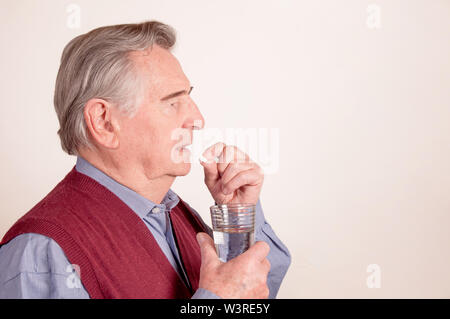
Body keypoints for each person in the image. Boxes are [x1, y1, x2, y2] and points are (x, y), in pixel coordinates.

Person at [0, 21, 290, 299]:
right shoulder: (44, 254)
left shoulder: (174, 215)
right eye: (172, 102)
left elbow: (253, 295)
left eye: (188, 98)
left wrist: (237, 218)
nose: (197, 119)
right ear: (104, 122)